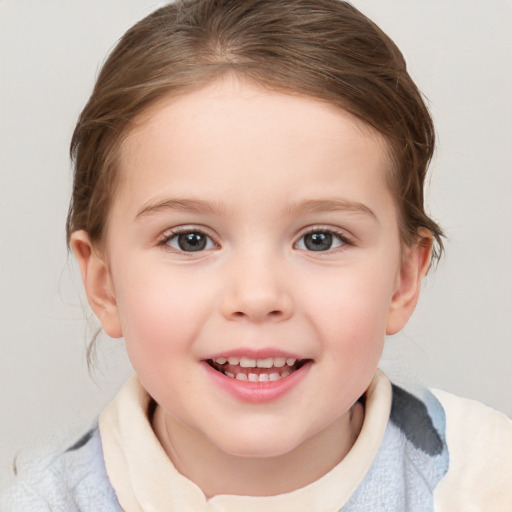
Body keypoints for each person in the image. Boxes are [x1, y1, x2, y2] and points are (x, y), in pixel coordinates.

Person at [2, 0, 511, 510]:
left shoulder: (486, 483)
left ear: (403, 278)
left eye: (320, 239)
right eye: (190, 239)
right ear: (104, 283)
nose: (258, 296)